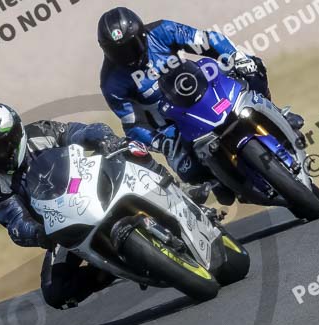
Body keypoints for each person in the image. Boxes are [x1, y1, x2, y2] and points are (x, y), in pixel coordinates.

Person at [0, 103, 171, 310]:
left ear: (16, 134)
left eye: (2, 146)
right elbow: (14, 221)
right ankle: (113, 268)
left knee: (125, 147)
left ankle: (169, 187)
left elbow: (80, 132)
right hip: (61, 225)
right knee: (55, 291)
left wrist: (103, 138)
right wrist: (39, 233)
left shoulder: (40, 132)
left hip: (90, 186)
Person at [97, 7, 304, 205]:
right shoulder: (111, 83)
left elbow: (208, 40)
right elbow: (132, 124)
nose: (128, 56)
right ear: (106, 51)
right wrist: (161, 142)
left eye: (131, 47)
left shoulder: (162, 30)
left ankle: (277, 113)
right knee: (188, 170)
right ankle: (218, 179)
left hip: (203, 89)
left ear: (142, 34)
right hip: (173, 124)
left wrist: (237, 58)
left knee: (254, 68)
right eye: (118, 52)